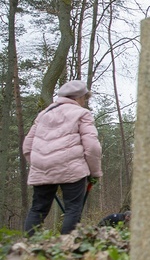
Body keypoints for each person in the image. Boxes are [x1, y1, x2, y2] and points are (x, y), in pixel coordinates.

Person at [23, 80, 102, 236]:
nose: (84, 102)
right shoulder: (82, 113)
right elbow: (92, 146)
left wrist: (40, 164)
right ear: (79, 97)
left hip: (42, 168)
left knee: (38, 208)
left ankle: (28, 249)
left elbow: (27, 146)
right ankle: (67, 249)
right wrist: (95, 172)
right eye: (84, 99)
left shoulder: (43, 114)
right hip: (72, 168)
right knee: (73, 208)